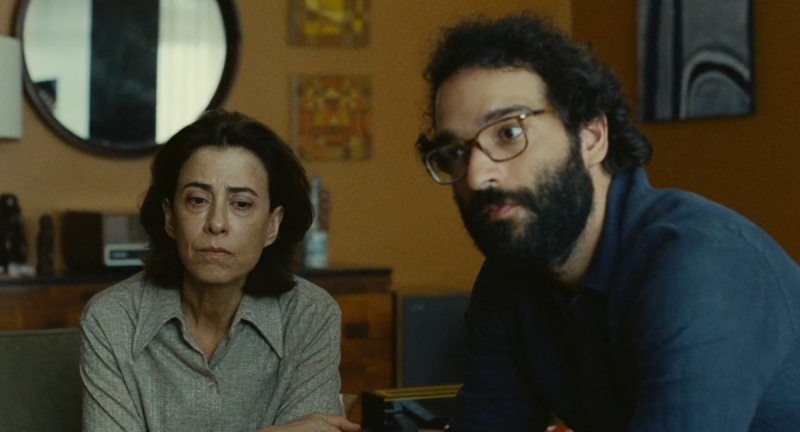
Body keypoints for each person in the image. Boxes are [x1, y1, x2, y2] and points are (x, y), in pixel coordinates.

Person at [415, 13, 800, 431]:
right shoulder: (509, 278)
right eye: (455, 153)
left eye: (508, 133)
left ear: (592, 135)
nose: (476, 176)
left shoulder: (701, 265)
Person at [80, 109, 360, 432]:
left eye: (241, 204)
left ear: (272, 224)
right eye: (197, 200)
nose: (216, 223)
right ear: (170, 217)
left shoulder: (310, 314)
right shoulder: (111, 319)